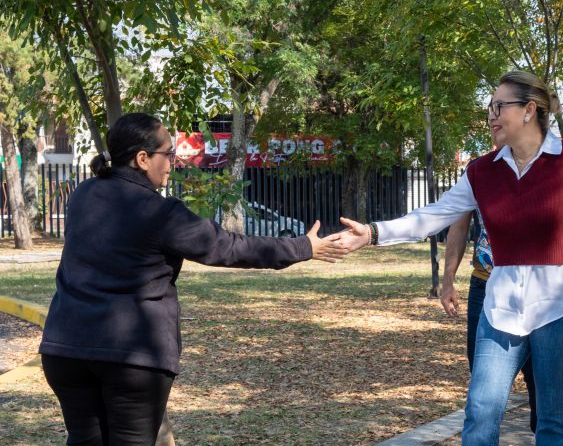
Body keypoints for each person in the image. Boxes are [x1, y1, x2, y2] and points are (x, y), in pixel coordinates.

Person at [339, 71, 563, 445]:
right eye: (489, 108)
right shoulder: (482, 171)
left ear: (529, 110)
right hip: (500, 310)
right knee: (481, 412)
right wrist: (373, 233)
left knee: (552, 419)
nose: (491, 116)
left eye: (499, 107)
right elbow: (434, 215)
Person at [39, 112, 347, 445]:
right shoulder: (160, 212)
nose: (173, 161)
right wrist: (303, 246)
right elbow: (229, 247)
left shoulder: (83, 195)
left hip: (66, 349)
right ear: (142, 158)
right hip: (132, 357)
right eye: (168, 153)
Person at [440, 210, 537, 434]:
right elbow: (459, 225)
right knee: (483, 398)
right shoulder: (477, 174)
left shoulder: (550, 173)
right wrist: (448, 281)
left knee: (543, 395)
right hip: (485, 285)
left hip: (539, 289)